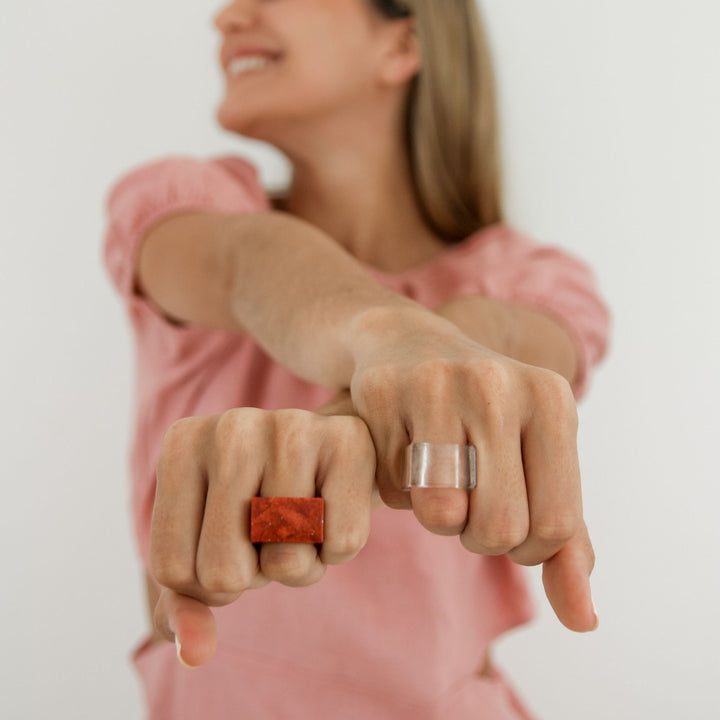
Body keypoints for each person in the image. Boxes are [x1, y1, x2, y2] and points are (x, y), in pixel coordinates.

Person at [102, 0, 611, 717]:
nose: (227, 16)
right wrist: (388, 339)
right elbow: (244, 263)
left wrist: (342, 433)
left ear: (402, 41)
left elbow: (491, 349)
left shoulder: (536, 280)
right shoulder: (181, 209)